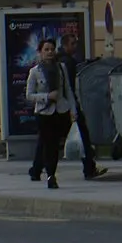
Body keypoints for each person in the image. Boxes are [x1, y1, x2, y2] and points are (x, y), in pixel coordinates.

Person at [25, 37, 75, 189]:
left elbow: (68, 90)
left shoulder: (61, 68)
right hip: (44, 113)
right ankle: (50, 175)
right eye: (46, 50)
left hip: (61, 110)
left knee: (54, 144)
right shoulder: (35, 72)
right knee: (49, 145)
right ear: (40, 52)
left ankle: (38, 169)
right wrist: (46, 97)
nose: (49, 52)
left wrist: (73, 110)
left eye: (52, 49)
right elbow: (29, 95)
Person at [59, 30, 104, 180]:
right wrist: (74, 105)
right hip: (69, 105)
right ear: (65, 45)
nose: (75, 46)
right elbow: (69, 86)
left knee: (48, 139)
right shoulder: (68, 62)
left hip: (60, 106)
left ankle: (37, 168)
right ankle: (89, 169)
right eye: (73, 44)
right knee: (83, 135)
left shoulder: (60, 60)